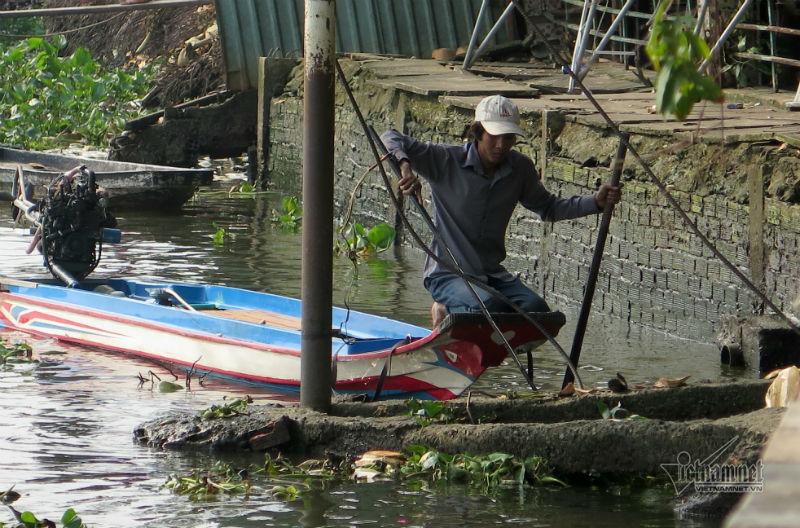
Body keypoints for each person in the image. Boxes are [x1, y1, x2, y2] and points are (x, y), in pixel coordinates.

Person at [381, 94, 622, 326]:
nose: (500, 145)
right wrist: (405, 167)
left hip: (491, 276)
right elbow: (389, 137)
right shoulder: (446, 161)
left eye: (508, 138)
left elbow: (548, 208)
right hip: (448, 274)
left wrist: (596, 203)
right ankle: (444, 308)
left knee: (536, 311)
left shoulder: (519, 169)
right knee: (489, 306)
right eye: (494, 136)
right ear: (478, 132)